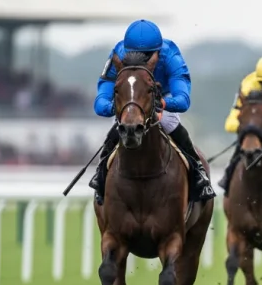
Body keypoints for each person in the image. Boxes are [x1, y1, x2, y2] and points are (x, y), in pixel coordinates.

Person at [89, 19, 216, 205]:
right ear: (127, 50)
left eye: (147, 55)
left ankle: (198, 173)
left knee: (170, 122)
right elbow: (101, 99)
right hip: (130, 100)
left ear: (157, 51)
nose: (140, 58)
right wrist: (118, 108)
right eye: (135, 54)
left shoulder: (171, 55)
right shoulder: (118, 54)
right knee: (119, 127)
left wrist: (163, 103)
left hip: (161, 98)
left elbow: (183, 99)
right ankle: (101, 175)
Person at [217, 53, 262, 195]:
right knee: (244, 142)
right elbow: (231, 122)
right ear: (258, 81)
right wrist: (250, 127)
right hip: (258, 125)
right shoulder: (248, 86)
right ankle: (228, 178)